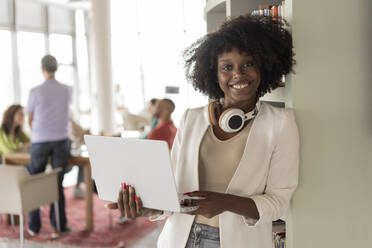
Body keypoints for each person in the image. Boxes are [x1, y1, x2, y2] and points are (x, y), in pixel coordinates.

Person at [107, 15, 299, 248]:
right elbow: (174, 192)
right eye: (227, 67)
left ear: (264, 65)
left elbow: (279, 202)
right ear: (214, 74)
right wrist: (146, 207)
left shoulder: (280, 123)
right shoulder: (192, 118)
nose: (238, 74)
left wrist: (226, 202)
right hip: (180, 239)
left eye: (248, 63)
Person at [26, 55, 72, 238]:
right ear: (56, 69)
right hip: (61, 140)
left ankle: (34, 227)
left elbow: (30, 118)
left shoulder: (35, 91)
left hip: (39, 140)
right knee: (57, 183)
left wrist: (38, 132)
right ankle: (57, 227)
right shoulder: (67, 90)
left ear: (42, 68)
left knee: (34, 182)